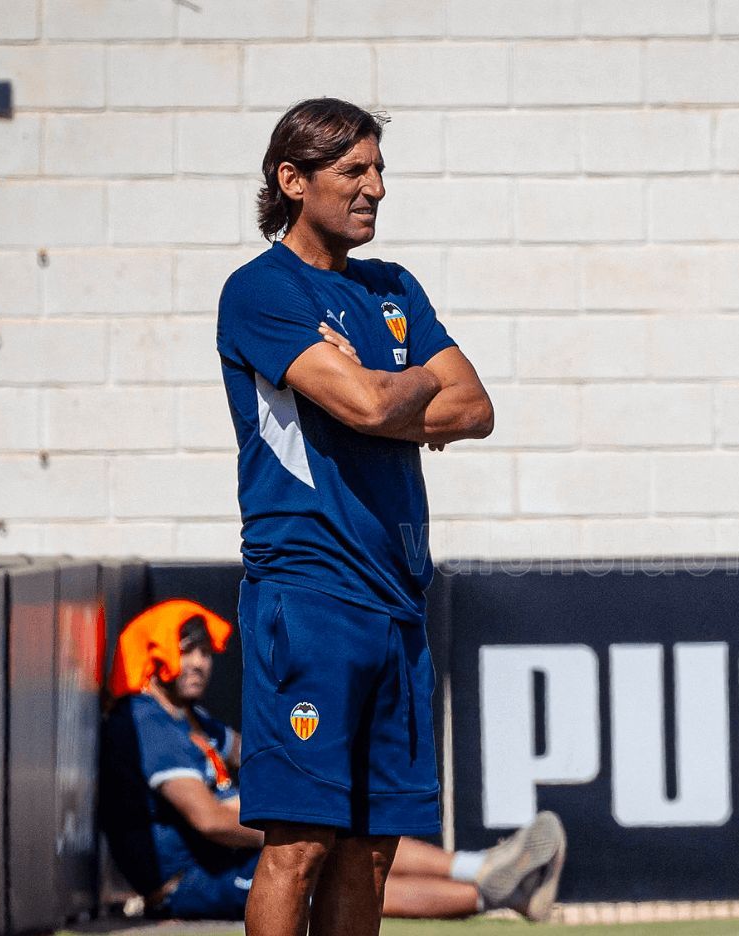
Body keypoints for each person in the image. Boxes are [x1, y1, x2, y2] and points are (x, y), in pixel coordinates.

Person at [214, 97, 533, 936]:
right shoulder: (259, 291)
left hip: (397, 600)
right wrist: (411, 383)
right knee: (300, 844)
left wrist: (399, 388)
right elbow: (363, 402)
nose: (376, 188)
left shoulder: (393, 288)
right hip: (309, 596)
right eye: (354, 170)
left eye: (380, 169)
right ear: (293, 180)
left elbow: (478, 407)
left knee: (372, 851)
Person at [100, 600, 566, 923]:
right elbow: (208, 820)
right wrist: (306, 822)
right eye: (187, 652)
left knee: (350, 836)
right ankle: (491, 890)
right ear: (154, 652)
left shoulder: (190, 718)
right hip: (192, 881)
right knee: (331, 871)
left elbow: (258, 752)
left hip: (230, 855)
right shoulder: (144, 719)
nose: (200, 663)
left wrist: (318, 780)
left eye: (205, 652)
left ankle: (481, 867)